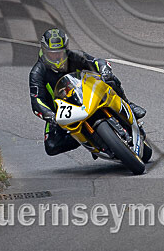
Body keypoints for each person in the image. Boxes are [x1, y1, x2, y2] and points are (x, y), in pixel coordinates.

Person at [29, 28, 146, 157]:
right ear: (45, 51)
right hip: (61, 112)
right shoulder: (37, 72)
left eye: (60, 53)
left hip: (85, 94)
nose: (57, 57)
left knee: (110, 79)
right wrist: (50, 116)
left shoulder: (74, 56)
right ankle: (87, 139)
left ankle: (129, 105)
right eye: (52, 54)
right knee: (51, 147)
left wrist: (104, 69)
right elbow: (37, 100)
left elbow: (96, 61)